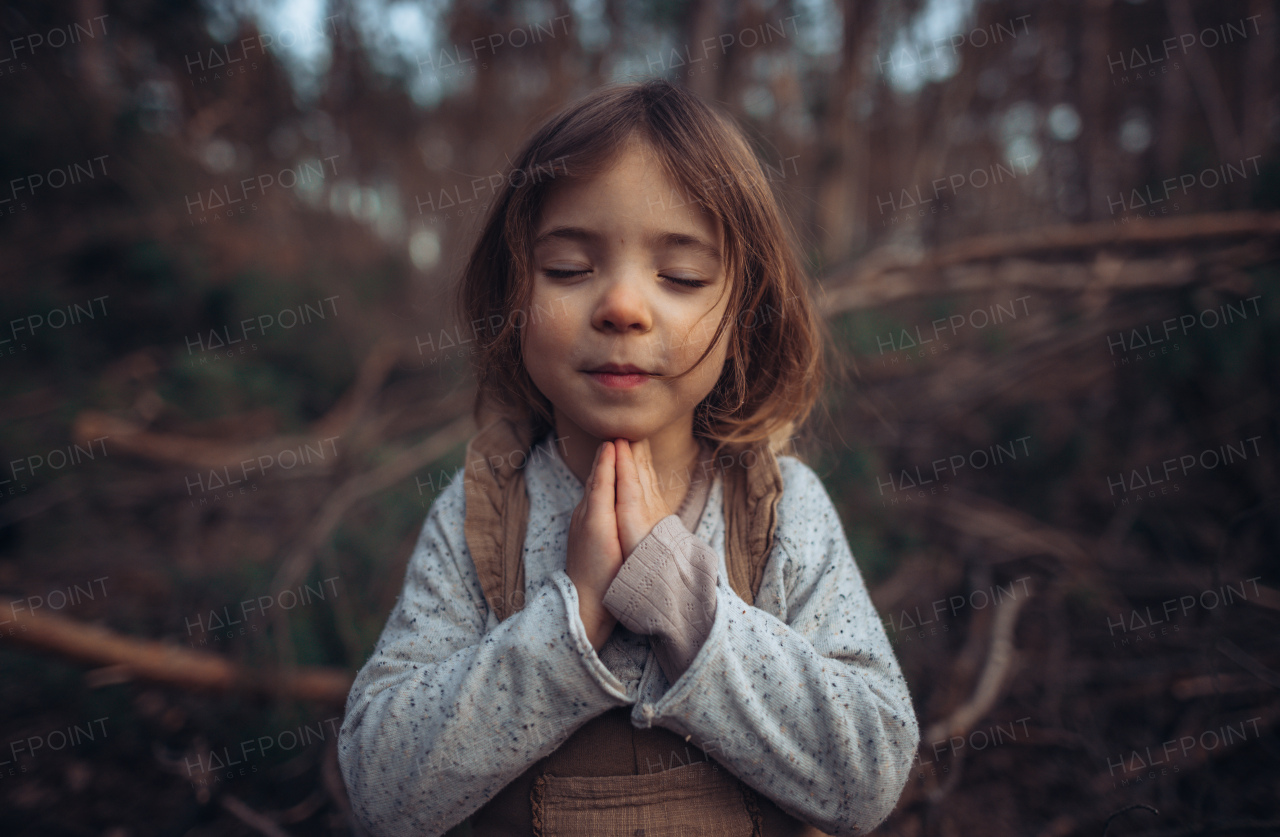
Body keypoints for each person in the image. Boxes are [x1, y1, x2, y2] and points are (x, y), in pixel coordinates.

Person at [338, 78, 918, 837]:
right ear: (513, 298)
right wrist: (569, 616)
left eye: (680, 276)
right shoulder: (482, 514)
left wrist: (683, 602)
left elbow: (869, 772)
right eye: (570, 269)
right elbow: (383, 787)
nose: (622, 305)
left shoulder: (780, 508)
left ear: (745, 315)